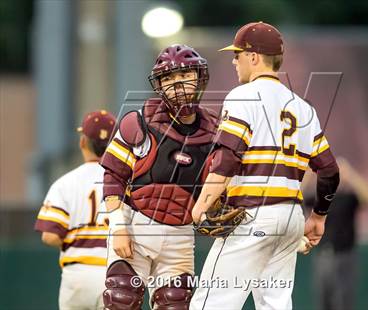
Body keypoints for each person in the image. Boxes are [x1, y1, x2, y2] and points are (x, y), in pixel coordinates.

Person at [190, 21, 340, 310]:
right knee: (275, 304)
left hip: (254, 213)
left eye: (238, 54)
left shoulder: (243, 95)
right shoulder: (303, 107)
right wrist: (318, 216)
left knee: (211, 303)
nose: (234, 60)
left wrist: (202, 204)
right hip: (291, 218)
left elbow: (228, 158)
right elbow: (330, 171)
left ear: (254, 56)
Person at [100, 44, 218, 309]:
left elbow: (221, 184)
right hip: (136, 225)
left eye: (184, 75)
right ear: (159, 85)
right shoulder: (139, 121)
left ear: (199, 77)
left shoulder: (216, 130)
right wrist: (118, 227)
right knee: (122, 299)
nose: (176, 84)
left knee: (175, 304)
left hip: (180, 233)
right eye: (168, 78)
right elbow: (112, 177)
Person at [34, 110, 117, 310]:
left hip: (77, 276)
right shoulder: (128, 182)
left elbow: (50, 236)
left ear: (82, 142)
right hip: (117, 274)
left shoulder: (65, 183)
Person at [302, 157, 368, 310]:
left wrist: (350, 174)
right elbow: (298, 196)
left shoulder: (348, 198)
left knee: (343, 302)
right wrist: (310, 173)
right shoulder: (320, 199)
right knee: (323, 302)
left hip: (345, 256)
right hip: (323, 256)